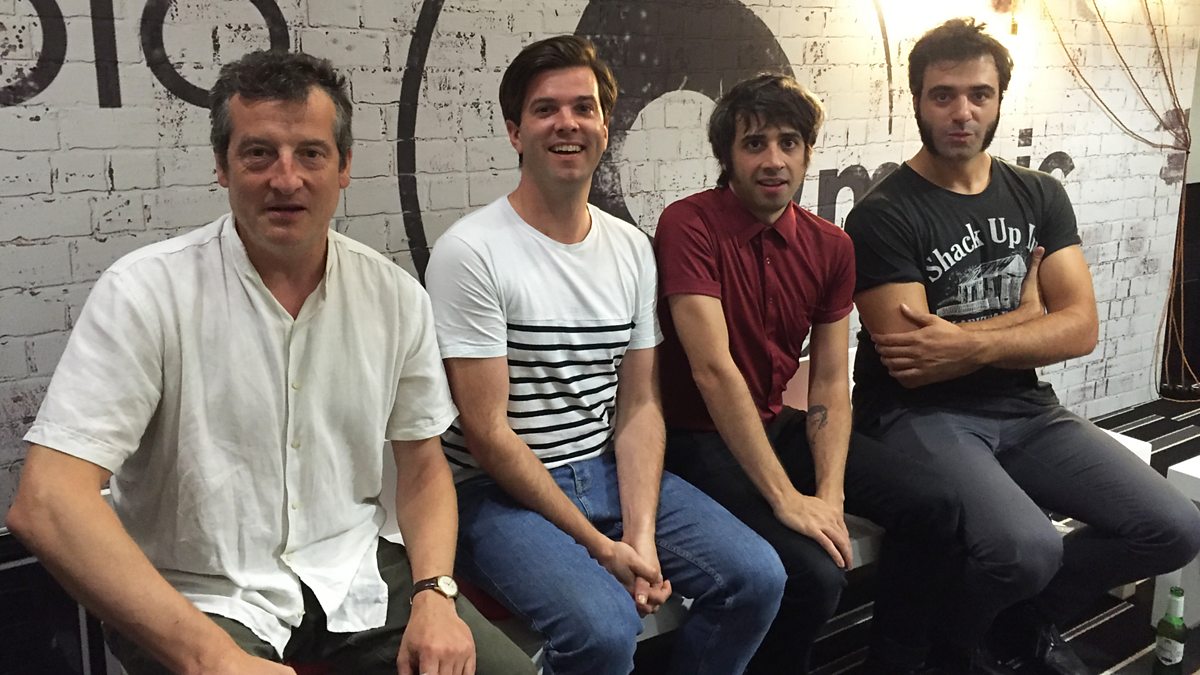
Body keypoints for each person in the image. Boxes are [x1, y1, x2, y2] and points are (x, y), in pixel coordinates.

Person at [6, 50, 535, 675]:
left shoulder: (395, 298)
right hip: (201, 592)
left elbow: (422, 469)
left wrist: (435, 596)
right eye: (259, 154)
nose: (286, 179)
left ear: (344, 167)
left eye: (311, 153)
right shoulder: (146, 293)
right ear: (222, 166)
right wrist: (211, 659)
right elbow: (47, 500)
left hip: (352, 573)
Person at [844, 18, 1200, 674]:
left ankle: (1016, 622)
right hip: (917, 416)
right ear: (917, 100)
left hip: (1026, 408)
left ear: (999, 99)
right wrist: (1027, 318)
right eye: (943, 95)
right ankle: (956, 643)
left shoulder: (1039, 194)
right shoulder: (883, 214)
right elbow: (914, 362)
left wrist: (972, 343)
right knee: (1026, 548)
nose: (962, 112)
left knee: (1175, 527)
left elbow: (1080, 328)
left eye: (979, 94)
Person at [424, 35, 786, 675]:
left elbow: (640, 404)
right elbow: (487, 433)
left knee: (758, 578)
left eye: (583, 108)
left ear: (605, 126)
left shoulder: (630, 248)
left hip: (604, 468)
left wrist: (639, 535)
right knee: (604, 629)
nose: (567, 123)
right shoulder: (471, 252)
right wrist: (600, 547)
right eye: (545, 109)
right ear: (515, 132)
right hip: (494, 492)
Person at [653, 73, 960, 675]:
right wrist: (787, 500)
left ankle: (894, 664)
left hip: (773, 424)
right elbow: (714, 372)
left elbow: (828, 382)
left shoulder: (830, 246)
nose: (774, 160)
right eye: (754, 143)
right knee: (812, 576)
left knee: (936, 505)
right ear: (727, 157)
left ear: (807, 152)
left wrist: (829, 494)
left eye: (788, 143)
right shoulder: (688, 224)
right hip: (693, 440)